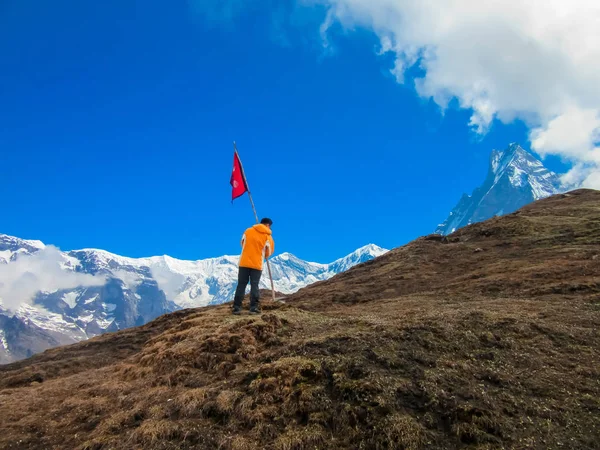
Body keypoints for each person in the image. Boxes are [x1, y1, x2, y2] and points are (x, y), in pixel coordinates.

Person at [232, 218, 275, 315]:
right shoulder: (268, 237)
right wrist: (262, 253)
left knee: (241, 284)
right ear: (268, 225)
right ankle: (253, 307)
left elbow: (242, 243)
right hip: (257, 264)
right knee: (254, 285)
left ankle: (236, 307)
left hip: (244, 262)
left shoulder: (248, 231)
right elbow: (269, 252)